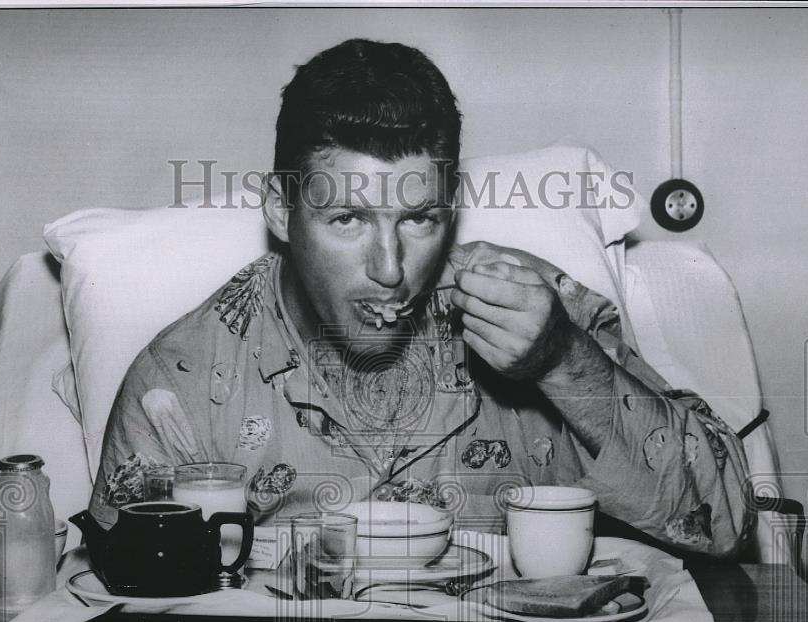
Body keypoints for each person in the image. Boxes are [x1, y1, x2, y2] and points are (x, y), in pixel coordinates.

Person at [89, 38, 754, 558]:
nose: (389, 269)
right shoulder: (180, 380)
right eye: (347, 220)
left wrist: (562, 363)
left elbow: (724, 522)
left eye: (418, 219)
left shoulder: (533, 312)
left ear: (453, 210)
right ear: (280, 209)